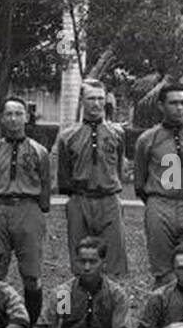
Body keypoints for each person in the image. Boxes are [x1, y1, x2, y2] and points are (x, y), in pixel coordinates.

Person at [0, 97, 51, 325]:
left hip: (28, 209)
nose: (13, 118)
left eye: (18, 113)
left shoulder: (39, 152)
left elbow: (46, 185)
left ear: (26, 117)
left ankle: (30, 325)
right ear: (2, 118)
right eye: (8, 114)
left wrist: (38, 210)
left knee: (31, 274)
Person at [26, 237, 133, 328]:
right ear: (76, 262)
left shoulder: (115, 294)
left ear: (104, 264)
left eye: (93, 262)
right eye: (82, 261)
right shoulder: (65, 293)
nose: (87, 267)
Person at [134, 83, 183, 284]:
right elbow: (140, 181)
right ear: (161, 106)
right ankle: (166, 311)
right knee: (163, 270)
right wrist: (158, 201)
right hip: (159, 204)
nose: (179, 108)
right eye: (173, 103)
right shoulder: (147, 139)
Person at [55, 80, 128, 278]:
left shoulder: (117, 133)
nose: (96, 104)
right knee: (80, 261)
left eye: (100, 98)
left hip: (109, 199)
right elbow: (64, 174)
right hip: (80, 199)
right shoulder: (68, 136)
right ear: (82, 101)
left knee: (114, 262)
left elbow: (119, 167)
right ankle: (76, 306)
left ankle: (110, 303)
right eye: (91, 98)